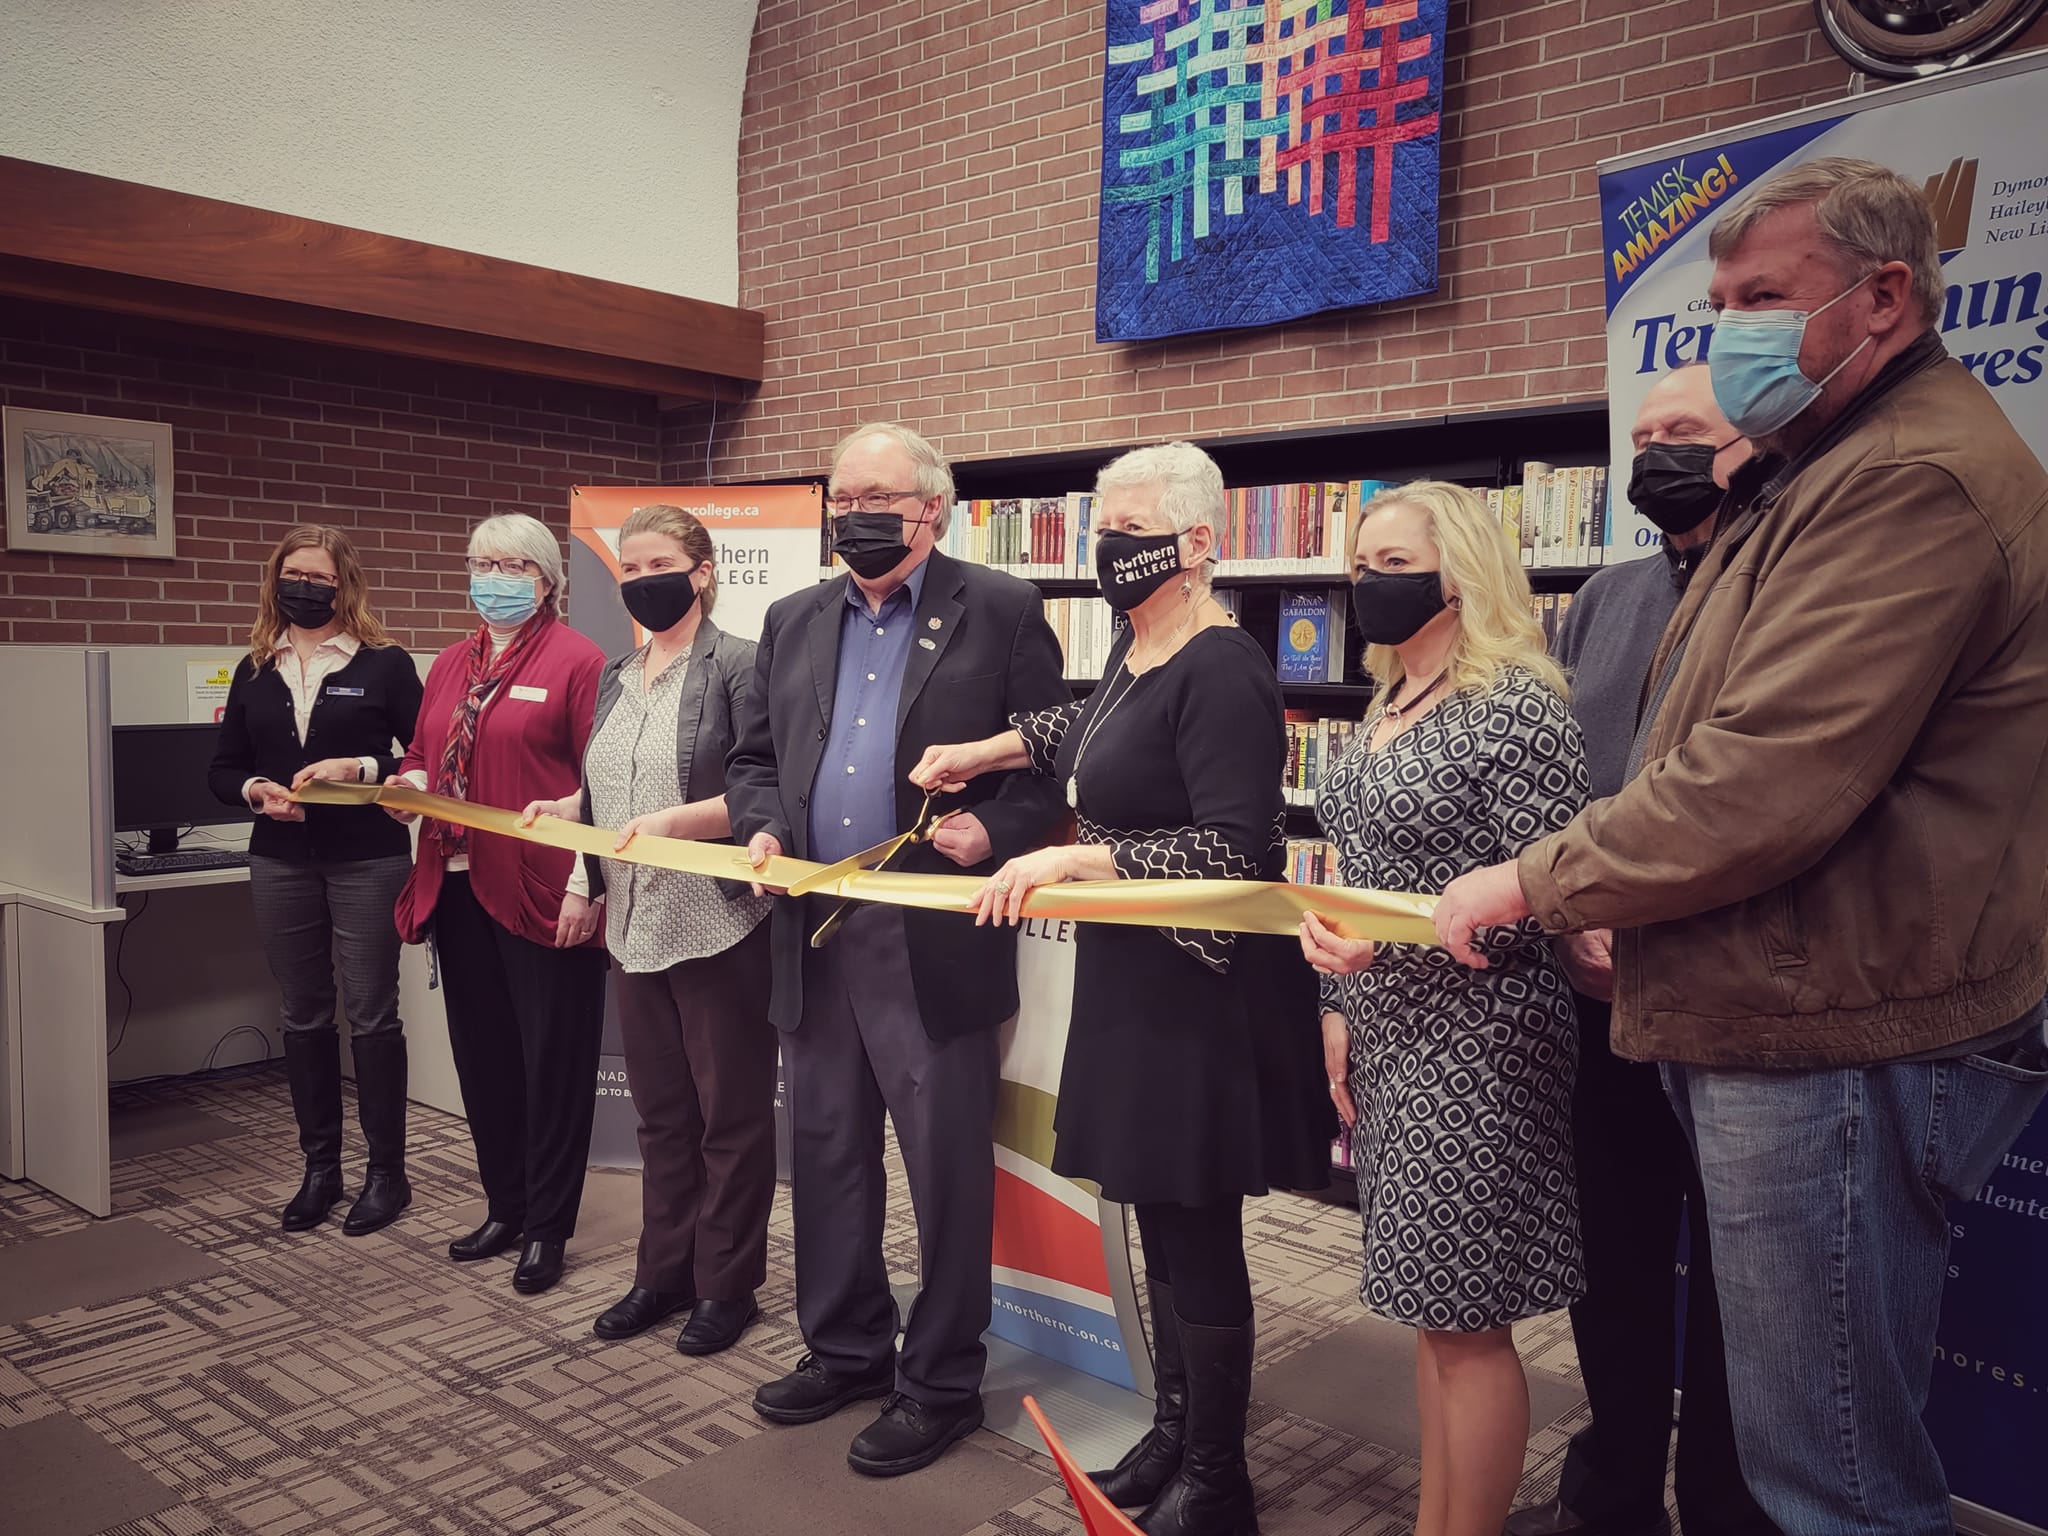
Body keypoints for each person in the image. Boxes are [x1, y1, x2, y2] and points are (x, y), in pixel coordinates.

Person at [1434, 158, 2048, 1535]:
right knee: (1806, 1457)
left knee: (1827, 1481)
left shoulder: (1910, 482)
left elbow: (1765, 778)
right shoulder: (1825, 473)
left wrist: (1535, 878)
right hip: (1789, 1006)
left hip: (1833, 1028)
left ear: (1885, 295)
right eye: (1719, 302)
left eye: (1764, 296)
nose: (1734, 331)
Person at [910, 440, 1333, 1536]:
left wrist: (1071, 860)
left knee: (1192, 1230)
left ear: (1196, 543)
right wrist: (983, 750)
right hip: (1129, 981)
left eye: (1127, 528)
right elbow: (1080, 737)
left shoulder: (1224, 666)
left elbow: (1239, 854)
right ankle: (1178, 1431)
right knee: (1149, 1211)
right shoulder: (1134, 655)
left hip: (1196, 997)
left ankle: (1219, 1481)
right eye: (1100, 527)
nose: (1107, 549)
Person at [724, 422, 1068, 1477]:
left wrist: (995, 833)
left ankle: (940, 1382)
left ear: (933, 507)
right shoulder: (789, 618)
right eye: (840, 495)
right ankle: (843, 1347)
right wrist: (762, 829)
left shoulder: (1002, 609)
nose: (853, 513)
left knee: (943, 1171)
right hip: (814, 932)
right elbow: (755, 759)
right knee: (825, 1155)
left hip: (931, 939)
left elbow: (1053, 755)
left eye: (876, 494)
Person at [1506, 367, 1777, 1536]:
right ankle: (1611, 1493)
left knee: (1737, 1298)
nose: (1655, 451)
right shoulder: (1605, 595)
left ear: (1755, 446)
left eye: (1687, 434)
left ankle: (1719, 1506)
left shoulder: (1786, 580)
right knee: (1610, 1267)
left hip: (1729, 1010)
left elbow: (1767, 799)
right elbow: (1565, 785)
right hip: (1594, 997)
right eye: (1644, 432)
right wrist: (1572, 914)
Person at [1298, 481, 1588, 1536]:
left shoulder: (1512, 702)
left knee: (1467, 1319)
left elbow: (1557, 892)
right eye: (1357, 564)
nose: (1364, 583)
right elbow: (1354, 873)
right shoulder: (1386, 699)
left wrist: (1403, 939)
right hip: (1383, 1031)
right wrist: (1336, 995)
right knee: (1430, 1306)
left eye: (1388, 563)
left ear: (1457, 570)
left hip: (1481, 1043)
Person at [518, 504, 776, 1356]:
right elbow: (605, 791)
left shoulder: (740, 665)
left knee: (728, 1117)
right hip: (631, 921)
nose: (640, 580)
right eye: (627, 569)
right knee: (662, 1117)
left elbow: (760, 791)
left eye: (657, 563)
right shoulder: (617, 674)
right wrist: (574, 843)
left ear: (701, 571)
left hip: (717, 922)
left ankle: (726, 1285)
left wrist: (679, 825)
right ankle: (662, 1273)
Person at [388, 512, 609, 1297]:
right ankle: (505, 1206)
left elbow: (604, 784)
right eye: (483, 561)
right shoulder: (451, 662)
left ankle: (548, 1228)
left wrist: (589, 882)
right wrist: (409, 787)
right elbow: (422, 751)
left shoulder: (580, 660)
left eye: (512, 564)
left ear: (546, 578)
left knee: (552, 1063)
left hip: (544, 891)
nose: (494, 576)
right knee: (483, 1058)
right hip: (453, 883)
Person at [206, 525, 424, 1235]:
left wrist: (359, 768)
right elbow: (222, 768)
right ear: (276, 580)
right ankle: (320, 1170)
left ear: (344, 584)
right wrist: (256, 790)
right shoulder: (255, 666)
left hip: (368, 857)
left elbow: (423, 764)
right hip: (279, 858)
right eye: (293, 573)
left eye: (320, 576)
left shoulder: (385, 664)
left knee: (371, 1013)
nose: (305, 585)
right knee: (302, 1013)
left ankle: (387, 1176)